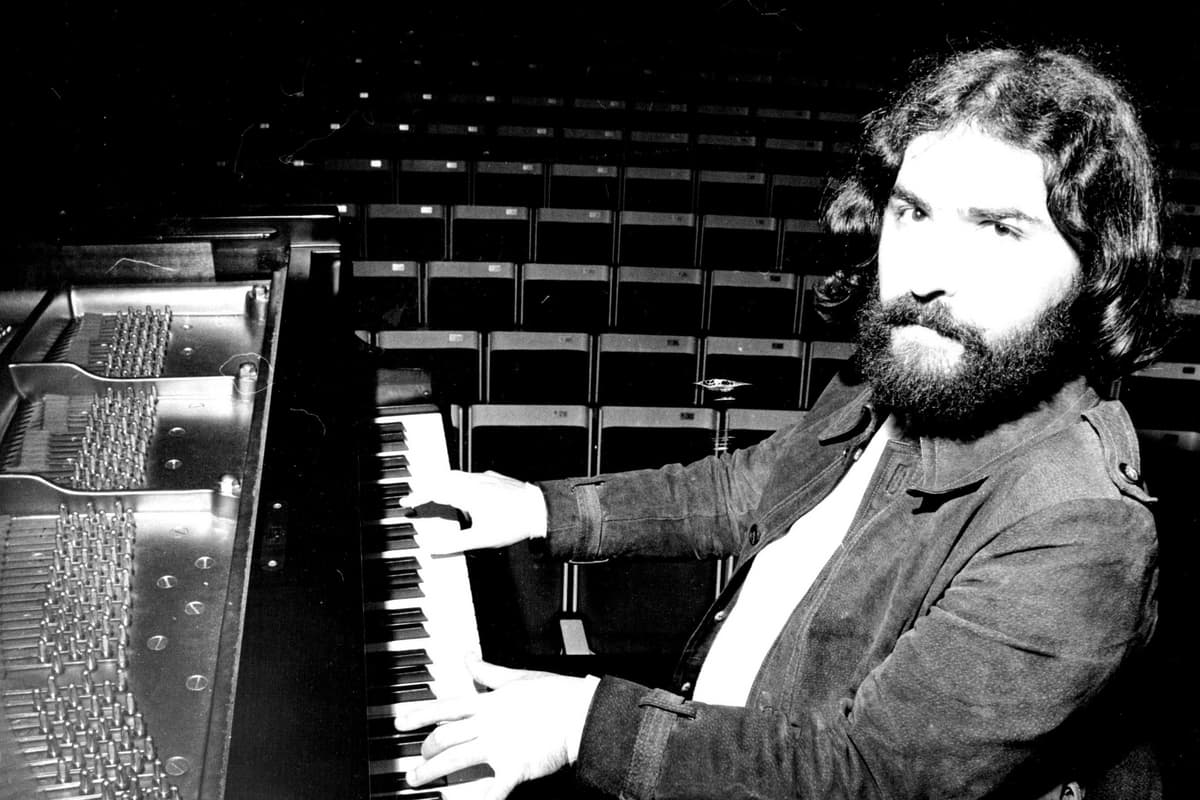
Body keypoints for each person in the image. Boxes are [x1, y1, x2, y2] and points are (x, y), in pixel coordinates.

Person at [394, 45, 1174, 799]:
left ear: (1098, 269)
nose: (926, 276)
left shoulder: (1082, 531)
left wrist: (581, 724)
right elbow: (753, 489)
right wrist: (538, 508)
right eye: (913, 213)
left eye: (999, 229)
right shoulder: (918, 366)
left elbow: (871, 778)